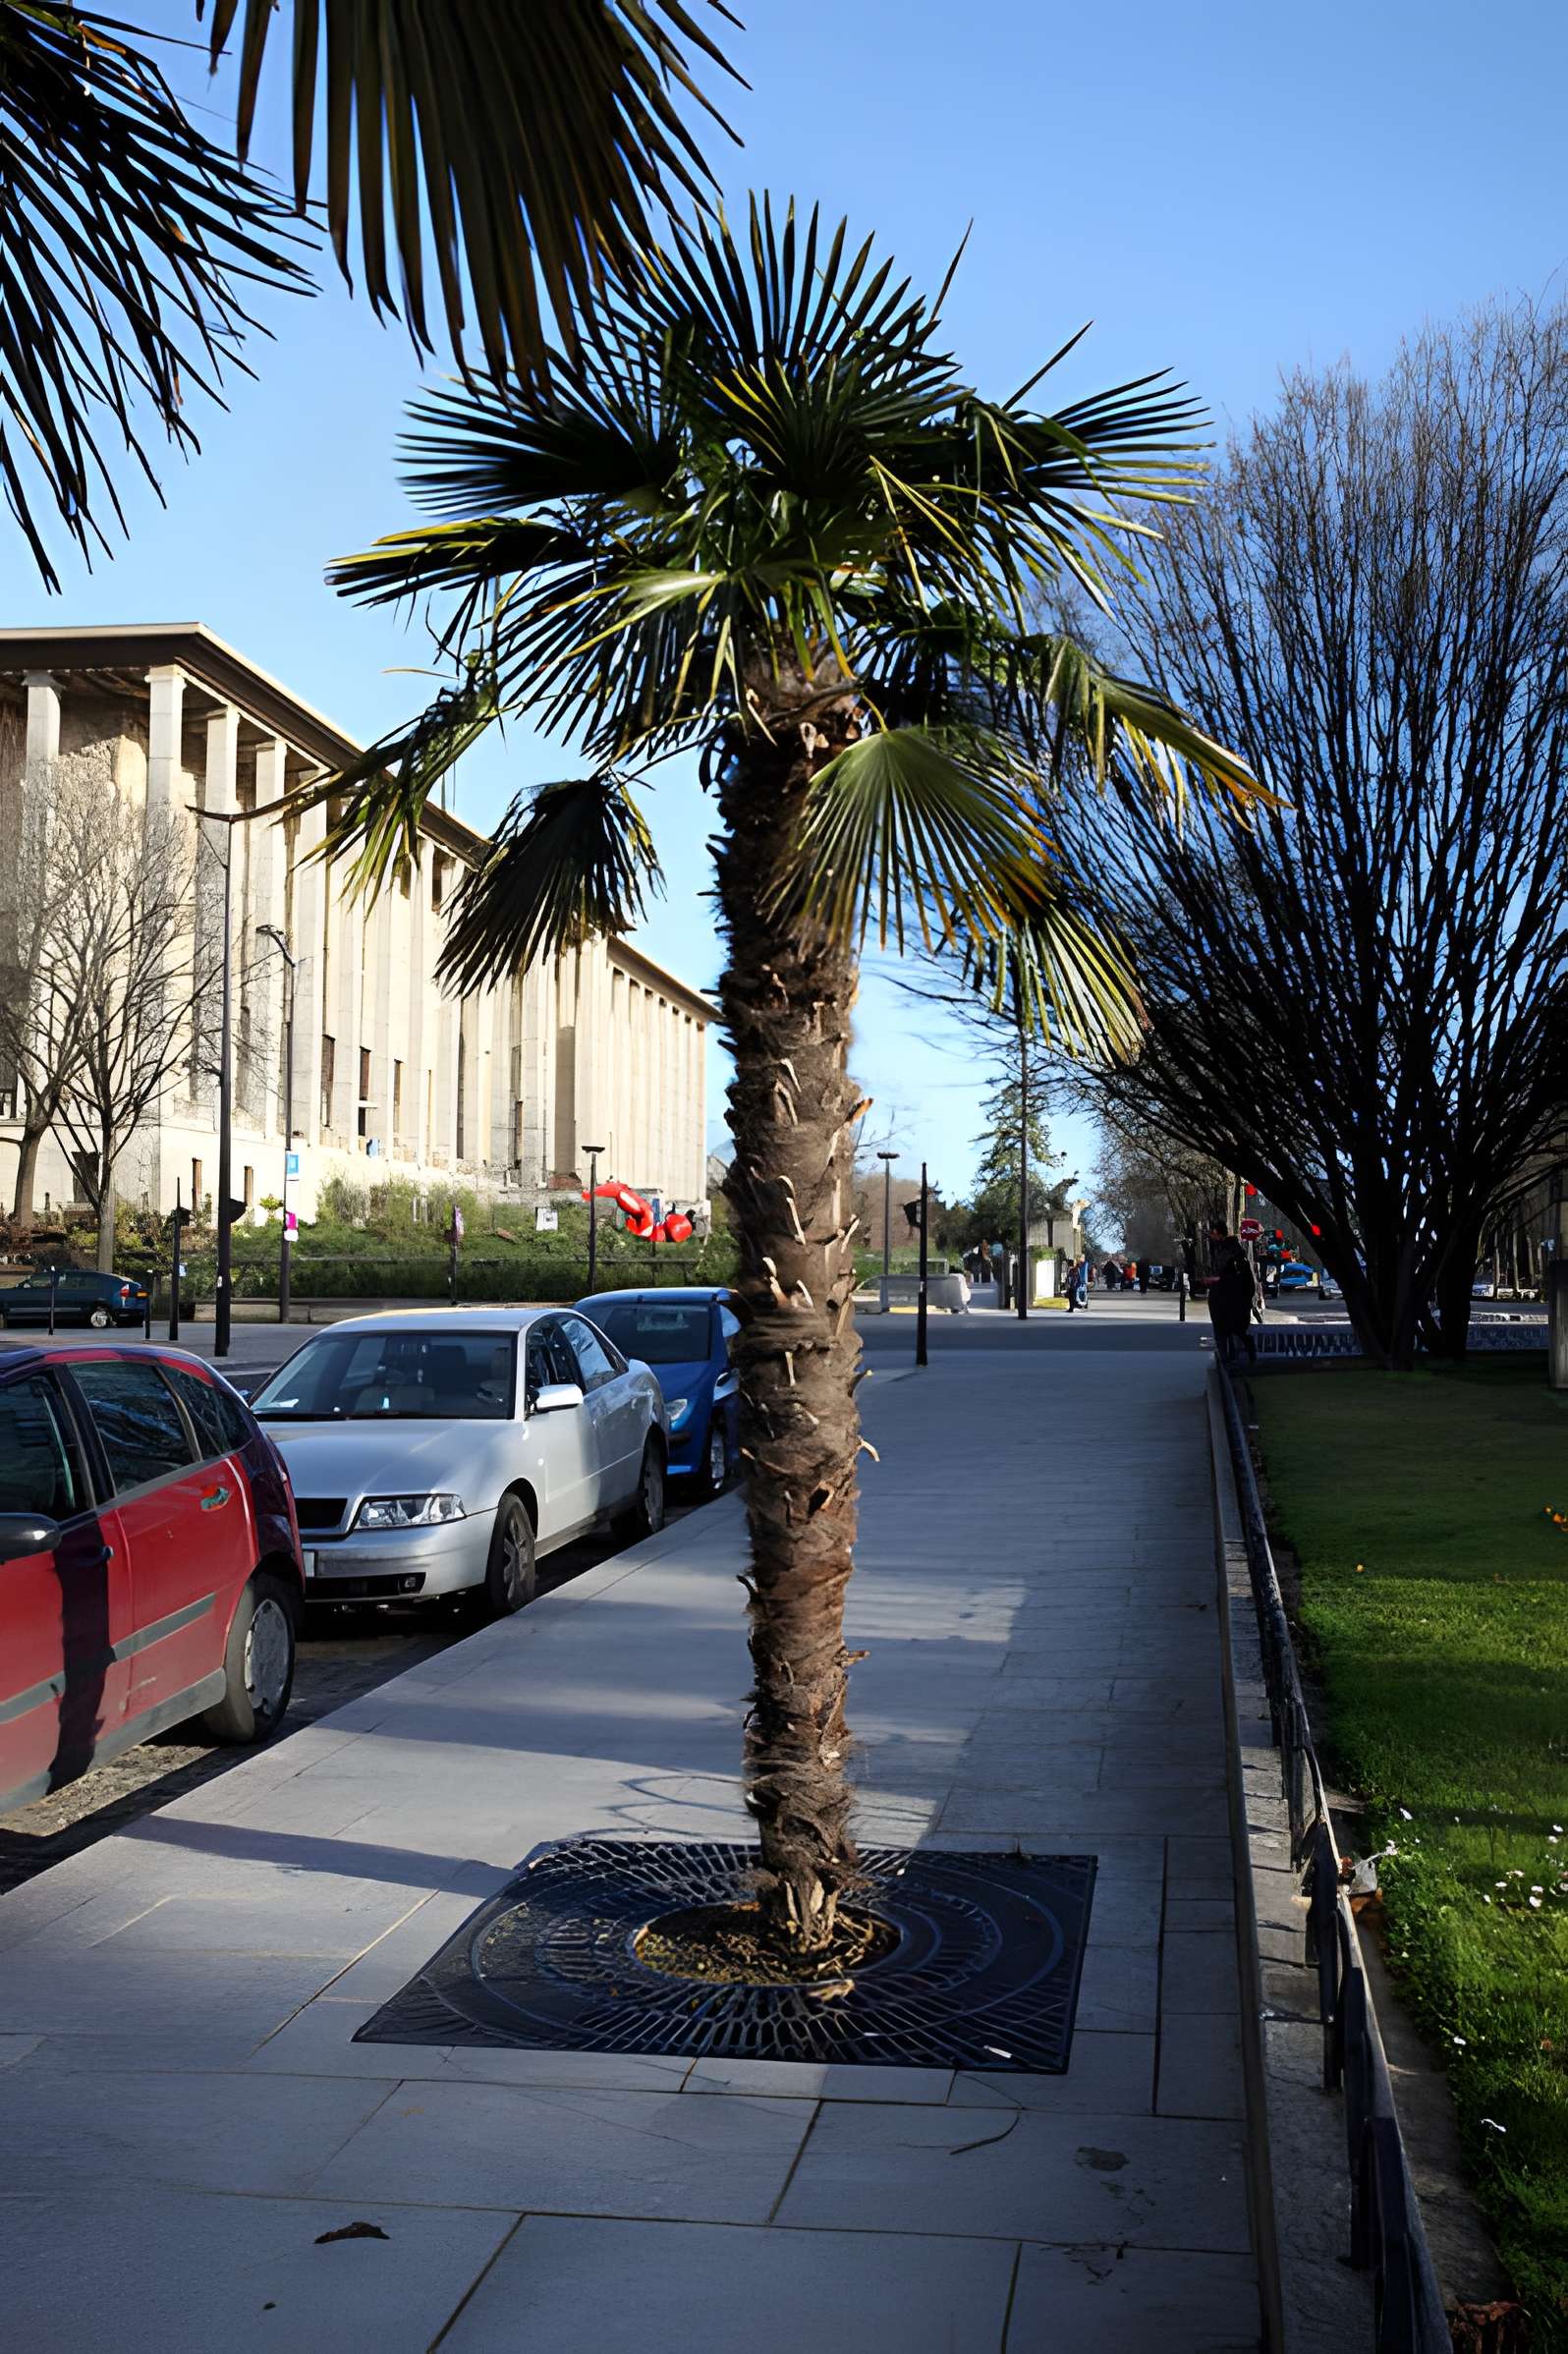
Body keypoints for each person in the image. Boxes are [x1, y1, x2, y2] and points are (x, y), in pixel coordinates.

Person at [1209, 1238, 1261, 1368]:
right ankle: (1240, 1358)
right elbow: (1249, 1286)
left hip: (1228, 1304)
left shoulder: (1228, 1261)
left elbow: (1248, 1286)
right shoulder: (1239, 1261)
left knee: (1225, 1333)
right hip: (1233, 1304)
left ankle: (1228, 1361)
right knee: (1236, 1332)